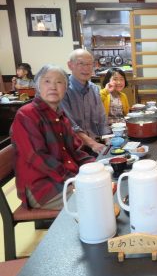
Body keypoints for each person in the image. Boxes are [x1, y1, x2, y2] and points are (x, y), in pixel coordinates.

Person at [10, 64, 95, 210]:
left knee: (104, 186)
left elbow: (75, 152)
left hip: (65, 178)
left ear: (66, 88)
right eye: (47, 81)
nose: (53, 87)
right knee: (94, 200)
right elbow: (37, 156)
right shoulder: (26, 114)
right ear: (38, 86)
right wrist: (72, 179)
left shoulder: (60, 115)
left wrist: (97, 165)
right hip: (42, 187)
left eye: (59, 82)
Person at [61, 49, 110, 155]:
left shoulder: (94, 89)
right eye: (81, 63)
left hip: (98, 144)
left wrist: (109, 142)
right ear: (70, 65)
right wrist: (93, 145)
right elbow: (71, 126)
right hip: (77, 149)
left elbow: (102, 121)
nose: (86, 68)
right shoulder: (63, 91)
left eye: (89, 64)